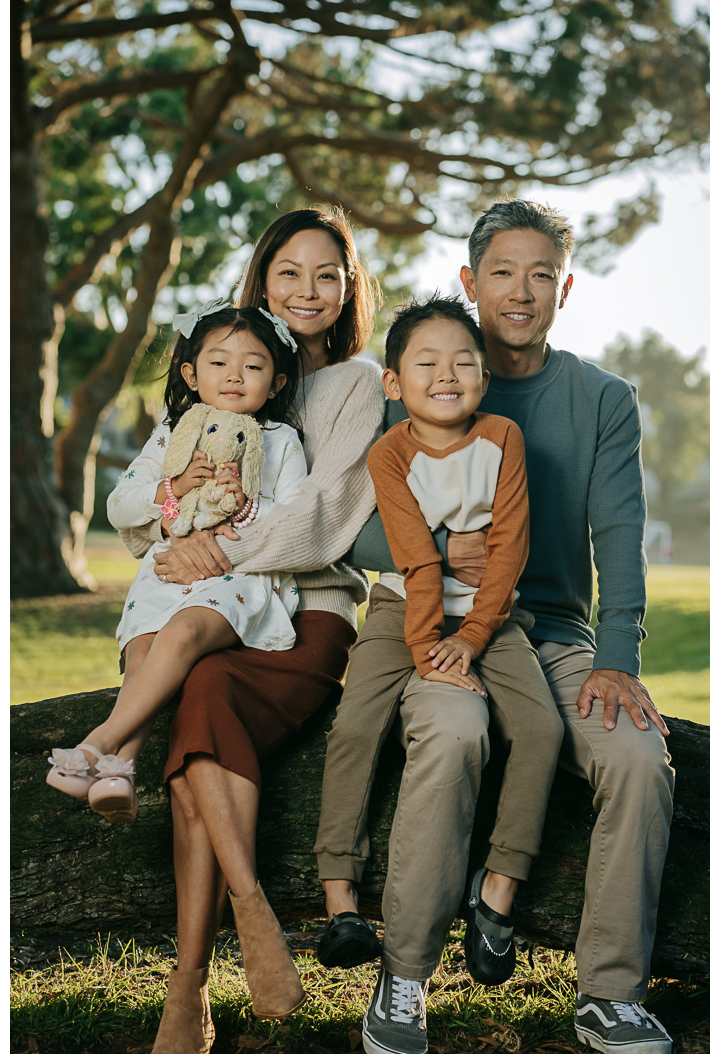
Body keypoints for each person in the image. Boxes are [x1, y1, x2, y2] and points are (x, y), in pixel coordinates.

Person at [348, 199, 675, 1055]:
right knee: (453, 733)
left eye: (541, 275)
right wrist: (442, 545)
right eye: (503, 272)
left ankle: (611, 994)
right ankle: (405, 977)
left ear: (564, 289)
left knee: (640, 757)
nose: (521, 292)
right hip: (440, 625)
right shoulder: (420, 372)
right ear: (470, 281)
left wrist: (617, 657)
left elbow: (619, 538)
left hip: (552, 632)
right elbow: (360, 526)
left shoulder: (602, 399)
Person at [115, 207, 386, 1052]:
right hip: (208, 601)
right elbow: (142, 507)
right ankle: (244, 921)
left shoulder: (356, 382)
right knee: (196, 684)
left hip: (308, 609)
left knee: (205, 699)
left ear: (348, 293)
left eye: (328, 276)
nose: (308, 291)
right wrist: (180, 535)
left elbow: (327, 513)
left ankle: (188, 985)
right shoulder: (225, 369)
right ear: (261, 278)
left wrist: (213, 546)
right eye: (290, 272)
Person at [313, 295, 564, 1054]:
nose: (447, 374)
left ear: (484, 377)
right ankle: (339, 899)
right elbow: (418, 560)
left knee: (543, 728)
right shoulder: (390, 454)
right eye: (426, 362)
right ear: (394, 382)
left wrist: (477, 635)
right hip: (401, 613)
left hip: (493, 615)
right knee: (356, 722)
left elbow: (511, 549)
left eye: (464, 361)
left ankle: (497, 893)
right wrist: (430, 650)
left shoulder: (504, 438)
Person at [46, 304, 305, 825]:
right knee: (142, 655)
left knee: (183, 632)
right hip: (165, 572)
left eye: (253, 367)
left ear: (275, 383)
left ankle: (95, 746)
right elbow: (121, 506)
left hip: (235, 581)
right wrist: (171, 492)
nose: (235, 376)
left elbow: (297, 521)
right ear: (190, 373)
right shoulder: (172, 435)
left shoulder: (279, 441)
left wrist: (246, 505)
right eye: (219, 362)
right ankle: (120, 772)